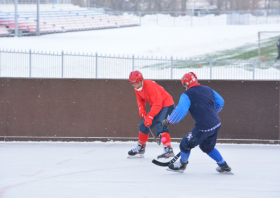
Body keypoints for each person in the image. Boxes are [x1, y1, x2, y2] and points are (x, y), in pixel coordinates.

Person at [160, 72, 231, 173]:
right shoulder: (208, 89)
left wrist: (168, 121)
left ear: (185, 84)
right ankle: (224, 166)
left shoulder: (187, 94)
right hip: (216, 123)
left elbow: (180, 111)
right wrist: (212, 113)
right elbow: (220, 102)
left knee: (184, 144)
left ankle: (182, 165)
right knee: (207, 147)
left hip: (204, 127)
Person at [128, 70, 175, 159]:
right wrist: (141, 109)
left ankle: (168, 149)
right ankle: (141, 148)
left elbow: (158, 103)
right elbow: (140, 100)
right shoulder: (137, 89)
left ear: (141, 80)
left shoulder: (150, 87)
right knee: (143, 126)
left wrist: (149, 116)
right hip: (157, 106)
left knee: (161, 126)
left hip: (167, 104)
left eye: (137, 83)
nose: (136, 86)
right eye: (133, 84)